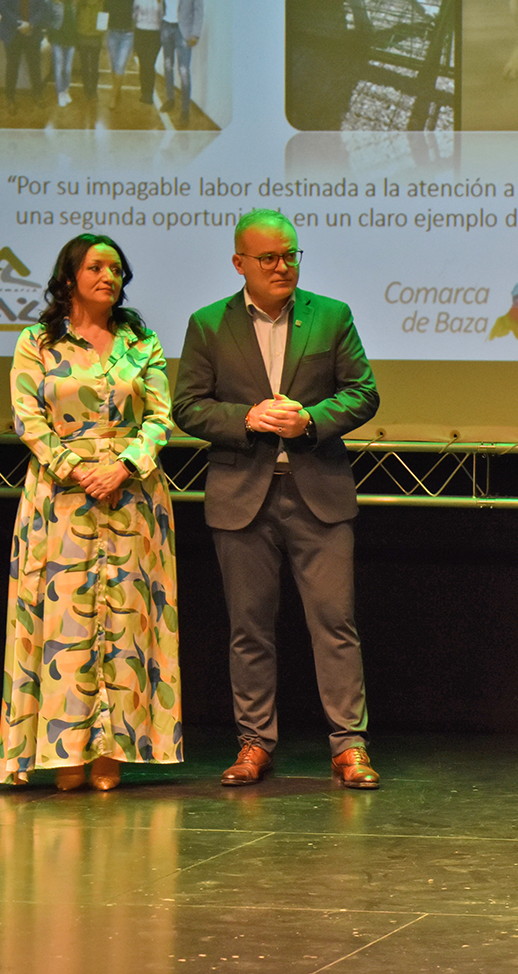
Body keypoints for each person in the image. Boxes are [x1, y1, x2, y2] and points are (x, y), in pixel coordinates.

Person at [171, 209, 382, 789]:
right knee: (249, 630)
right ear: (239, 263)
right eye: (268, 258)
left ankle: (349, 745)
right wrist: (248, 417)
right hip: (242, 495)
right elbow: (187, 406)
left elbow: (363, 393)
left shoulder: (331, 315)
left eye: (290, 255)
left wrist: (310, 419)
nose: (282, 266)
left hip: (319, 494)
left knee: (335, 624)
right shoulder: (209, 324)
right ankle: (254, 743)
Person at [0, 233, 182, 790]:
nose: (109, 277)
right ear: (69, 277)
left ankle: (112, 752)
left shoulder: (141, 341)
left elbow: (160, 417)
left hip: (131, 496)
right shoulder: (37, 342)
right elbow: (28, 418)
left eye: (117, 269)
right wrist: (78, 469)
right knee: (65, 623)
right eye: (97, 267)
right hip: (61, 499)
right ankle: (65, 751)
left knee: (126, 621)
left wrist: (123, 466)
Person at [0, 0, 46, 111]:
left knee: (35, 67)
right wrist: (20, 24)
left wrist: (30, 24)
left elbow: (42, 9)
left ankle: (37, 95)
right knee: (12, 68)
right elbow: (2, 8)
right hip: (12, 33)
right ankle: (10, 99)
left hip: (32, 33)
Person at [159, 0, 204, 127]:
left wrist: (195, 33)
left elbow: (198, 10)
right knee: (168, 66)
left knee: (184, 71)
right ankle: (170, 99)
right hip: (166, 29)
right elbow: (161, 7)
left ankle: (185, 110)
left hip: (183, 32)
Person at [132, 0, 164, 107]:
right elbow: (134, 17)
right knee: (143, 64)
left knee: (149, 64)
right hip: (140, 33)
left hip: (155, 35)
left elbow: (163, 17)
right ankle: (144, 92)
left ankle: (149, 94)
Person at [103, 0, 135, 109]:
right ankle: (118, 90)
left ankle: (113, 97)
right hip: (112, 35)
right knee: (114, 66)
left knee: (120, 66)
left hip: (127, 36)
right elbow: (103, 21)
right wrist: (102, 37)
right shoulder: (107, 1)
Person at [74, 0, 107, 103]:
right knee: (84, 65)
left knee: (94, 65)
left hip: (96, 36)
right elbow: (75, 15)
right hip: (82, 35)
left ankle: (93, 89)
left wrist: (103, 37)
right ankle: (86, 88)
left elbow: (104, 16)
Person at [46, 0, 78, 109]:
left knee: (68, 69)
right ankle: (60, 93)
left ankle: (66, 90)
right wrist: (50, 35)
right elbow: (47, 18)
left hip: (71, 38)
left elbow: (76, 19)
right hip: (58, 38)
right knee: (59, 67)